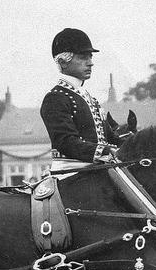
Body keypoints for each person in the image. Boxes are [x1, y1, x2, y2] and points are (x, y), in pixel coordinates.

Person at [41, 28, 120, 168]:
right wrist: (106, 152)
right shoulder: (55, 98)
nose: (90, 63)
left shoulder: (89, 98)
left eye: (90, 57)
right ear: (63, 62)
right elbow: (66, 142)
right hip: (72, 172)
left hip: (97, 169)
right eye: (83, 57)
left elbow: (111, 138)